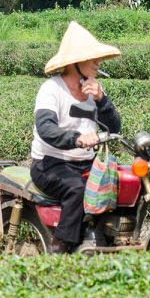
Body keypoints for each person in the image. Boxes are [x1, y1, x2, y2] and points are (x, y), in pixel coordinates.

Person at [30, 22, 123, 253]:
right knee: (78, 189)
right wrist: (78, 139)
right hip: (50, 164)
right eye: (91, 59)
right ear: (75, 63)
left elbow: (114, 127)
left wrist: (102, 99)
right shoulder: (51, 90)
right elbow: (46, 128)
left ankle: (105, 237)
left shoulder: (93, 91)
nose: (97, 64)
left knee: (120, 183)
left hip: (85, 162)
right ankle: (61, 248)